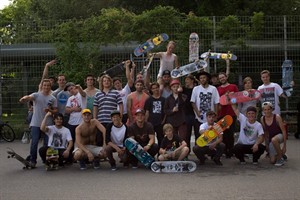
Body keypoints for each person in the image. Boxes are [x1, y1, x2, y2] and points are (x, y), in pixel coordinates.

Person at [19, 79, 58, 167]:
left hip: (48, 124)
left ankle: (47, 160)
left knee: (48, 143)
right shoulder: (36, 95)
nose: (46, 87)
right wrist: (24, 99)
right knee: (34, 142)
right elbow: (29, 97)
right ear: (42, 86)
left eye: (48, 86)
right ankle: (33, 160)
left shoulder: (53, 98)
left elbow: (55, 110)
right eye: (45, 85)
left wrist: (50, 110)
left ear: (50, 87)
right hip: (36, 123)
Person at [94, 74, 123, 146]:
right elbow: (95, 107)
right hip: (100, 120)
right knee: (100, 139)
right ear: (102, 83)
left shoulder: (115, 92)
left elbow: (121, 105)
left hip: (111, 120)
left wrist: (120, 116)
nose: (106, 82)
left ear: (110, 82)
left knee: (110, 139)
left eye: (108, 81)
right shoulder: (98, 94)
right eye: (104, 81)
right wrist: (95, 119)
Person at [191, 71, 220, 139]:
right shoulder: (196, 89)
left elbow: (216, 102)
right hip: (199, 118)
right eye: (201, 78)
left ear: (207, 79)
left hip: (211, 118)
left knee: (212, 137)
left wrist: (216, 114)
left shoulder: (213, 89)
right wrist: (197, 112)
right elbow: (193, 102)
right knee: (199, 138)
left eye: (204, 77)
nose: (202, 79)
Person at [217, 72, 239, 158]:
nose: (222, 79)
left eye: (223, 77)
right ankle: (224, 151)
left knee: (230, 133)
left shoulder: (233, 87)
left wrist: (230, 98)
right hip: (221, 114)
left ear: (226, 77)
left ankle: (231, 151)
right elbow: (217, 101)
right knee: (223, 133)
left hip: (231, 113)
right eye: (220, 78)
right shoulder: (217, 89)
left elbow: (237, 99)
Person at [260, 102, 287, 166]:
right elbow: (266, 132)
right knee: (272, 161)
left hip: (280, 136)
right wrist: (266, 145)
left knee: (274, 139)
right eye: (265, 110)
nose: (267, 111)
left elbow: (284, 131)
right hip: (271, 139)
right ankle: (281, 154)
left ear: (272, 109)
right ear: (263, 110)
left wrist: (284, 146)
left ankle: (280, 158)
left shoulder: (277, 117)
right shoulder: (262, 118)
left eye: (269, 109)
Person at [164, 79, 187, 144]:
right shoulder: (168, 98)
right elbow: (165, 110)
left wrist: (179, 93)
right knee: (173, 139)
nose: (176, 88)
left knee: (182, 137)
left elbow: (182, 104)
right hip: (172, 121)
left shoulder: (183, 96)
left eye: (177, 87)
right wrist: (172, 111)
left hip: (181, 120)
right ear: (171, 88)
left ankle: (184, 151)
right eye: (174, 87)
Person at [179, 75, 198, 152]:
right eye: (185, 79)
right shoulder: (183, 89)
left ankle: (198, 150)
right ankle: (187, 151)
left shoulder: (196, 89)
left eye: (187, 79)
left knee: (198, 133)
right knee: (187, 134)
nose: (186, 81)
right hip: (187, 114)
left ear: (192, 80)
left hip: (196, 114)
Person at [144, 82, 166, 147]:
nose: (155, 89)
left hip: (160, 123)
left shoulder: (163, 99)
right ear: (151, 90)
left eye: (156, 88)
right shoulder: (149, 100)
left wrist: (163, 120)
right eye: (153, 88)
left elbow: (165, 112)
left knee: (161, 139)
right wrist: (146, 122)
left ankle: (160, 154)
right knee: (150, 139)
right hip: (151, 123)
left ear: (159, 88)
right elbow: (147, 112)